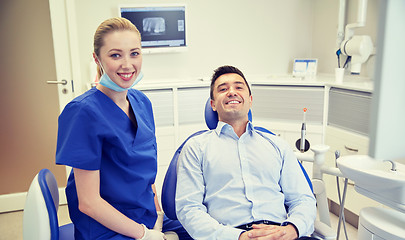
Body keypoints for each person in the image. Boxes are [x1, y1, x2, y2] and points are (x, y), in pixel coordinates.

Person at [56, 17, 191, 240]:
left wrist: (157, 215)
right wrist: (144, 235)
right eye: (115, 55)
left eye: (134, 53)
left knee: (206, 230)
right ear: (97, 58)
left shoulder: (142, 102)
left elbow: (146, 176)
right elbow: (89, 203)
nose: (127, 65)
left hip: (144, 215)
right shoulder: (82, 112)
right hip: (105, 227)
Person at [175, 65, 318, 240]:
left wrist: (292, 230)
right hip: (228, 235)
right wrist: (240, 237)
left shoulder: (277, 145)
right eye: (223, 89)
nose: (231, 92)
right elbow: (189, 209)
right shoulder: (196, 148)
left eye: (238, 87)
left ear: (250, 100)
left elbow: (303, 199)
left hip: (281, 233)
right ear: (213, 104)